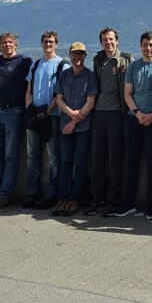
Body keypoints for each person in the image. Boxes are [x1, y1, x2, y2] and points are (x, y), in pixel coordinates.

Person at [115, 32, 152, 219]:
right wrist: (138, 114)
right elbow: (128, 93)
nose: (148, 48)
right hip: (133, 119)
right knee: (131, 162)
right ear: (140, 46)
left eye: (151, 45)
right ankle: (128, 204)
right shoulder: (134, 66)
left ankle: (151, 206)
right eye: (145, 44)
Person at [0, 32, 33, 209]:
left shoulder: (25, 61)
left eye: (10, 42)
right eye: (4, 43)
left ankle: (5, 193)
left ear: (16, 44)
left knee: (11, 155)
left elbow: (30, 85)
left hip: (15, 112)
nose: (7, 45)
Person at [53, 42, 98, 216]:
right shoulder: (64, 75)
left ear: (85, 56)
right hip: (66, 125)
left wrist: (74, 121)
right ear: (70, 55)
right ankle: (63, 198)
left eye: (81, 54)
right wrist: (71, 114)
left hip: (82, 128)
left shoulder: (90, 76)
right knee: (64, 163)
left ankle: (75, 199)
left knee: (80, 163)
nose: (78, 57)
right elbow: (59, 99)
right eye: (75, 54)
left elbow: (91, 103)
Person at [25, 32, 68, 209]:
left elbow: (61, 93)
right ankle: (32, 192)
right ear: (41, 43)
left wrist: (47, 112)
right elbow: (29, 89)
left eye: (51, 42)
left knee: (53, 157)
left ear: (56, 44)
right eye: (45, 42)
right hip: (34, 115)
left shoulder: (62, 65)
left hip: (53, 116)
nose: (48, 44)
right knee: (32, 155)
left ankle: (52, 193)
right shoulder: (36, 64)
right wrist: (30, 110)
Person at [94, 28, 133, 217]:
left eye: (111, 39)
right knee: (98, 158)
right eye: (104, 40)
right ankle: (97, 200)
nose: (108, 42)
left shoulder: (126, 59)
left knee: (115, 159)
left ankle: (113, 201)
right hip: (98, 114)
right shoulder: (98, 60)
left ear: (117, 41)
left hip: (117, 114)